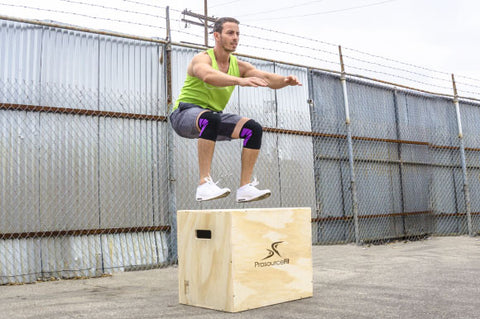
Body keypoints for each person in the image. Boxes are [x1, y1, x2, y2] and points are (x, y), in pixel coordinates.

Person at [170, 17, 302, 203]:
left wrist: (285, 81)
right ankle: (204, 184)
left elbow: (265, 77)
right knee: (211, 118)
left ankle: (244, 188)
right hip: (184, 114)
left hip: (212, 118)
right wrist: (240, 80)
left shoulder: (238, 66)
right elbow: (208, 75)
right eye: (230, 33)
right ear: (217, 36)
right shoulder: (201, 59)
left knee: (253, 128)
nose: (235, 38)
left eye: (238, 34)